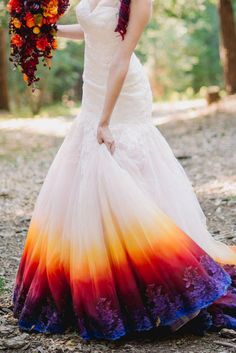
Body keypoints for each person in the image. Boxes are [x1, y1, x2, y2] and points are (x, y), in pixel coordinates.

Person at [12, 0, 236, 341]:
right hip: (93, 86)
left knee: (121, 168)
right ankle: (93, 267)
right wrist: (46, 29)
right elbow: (92, 31)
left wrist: (104, 120)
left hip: (122, 89)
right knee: (87, 172)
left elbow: (121, 55)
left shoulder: (139, 2)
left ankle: (146, 271)